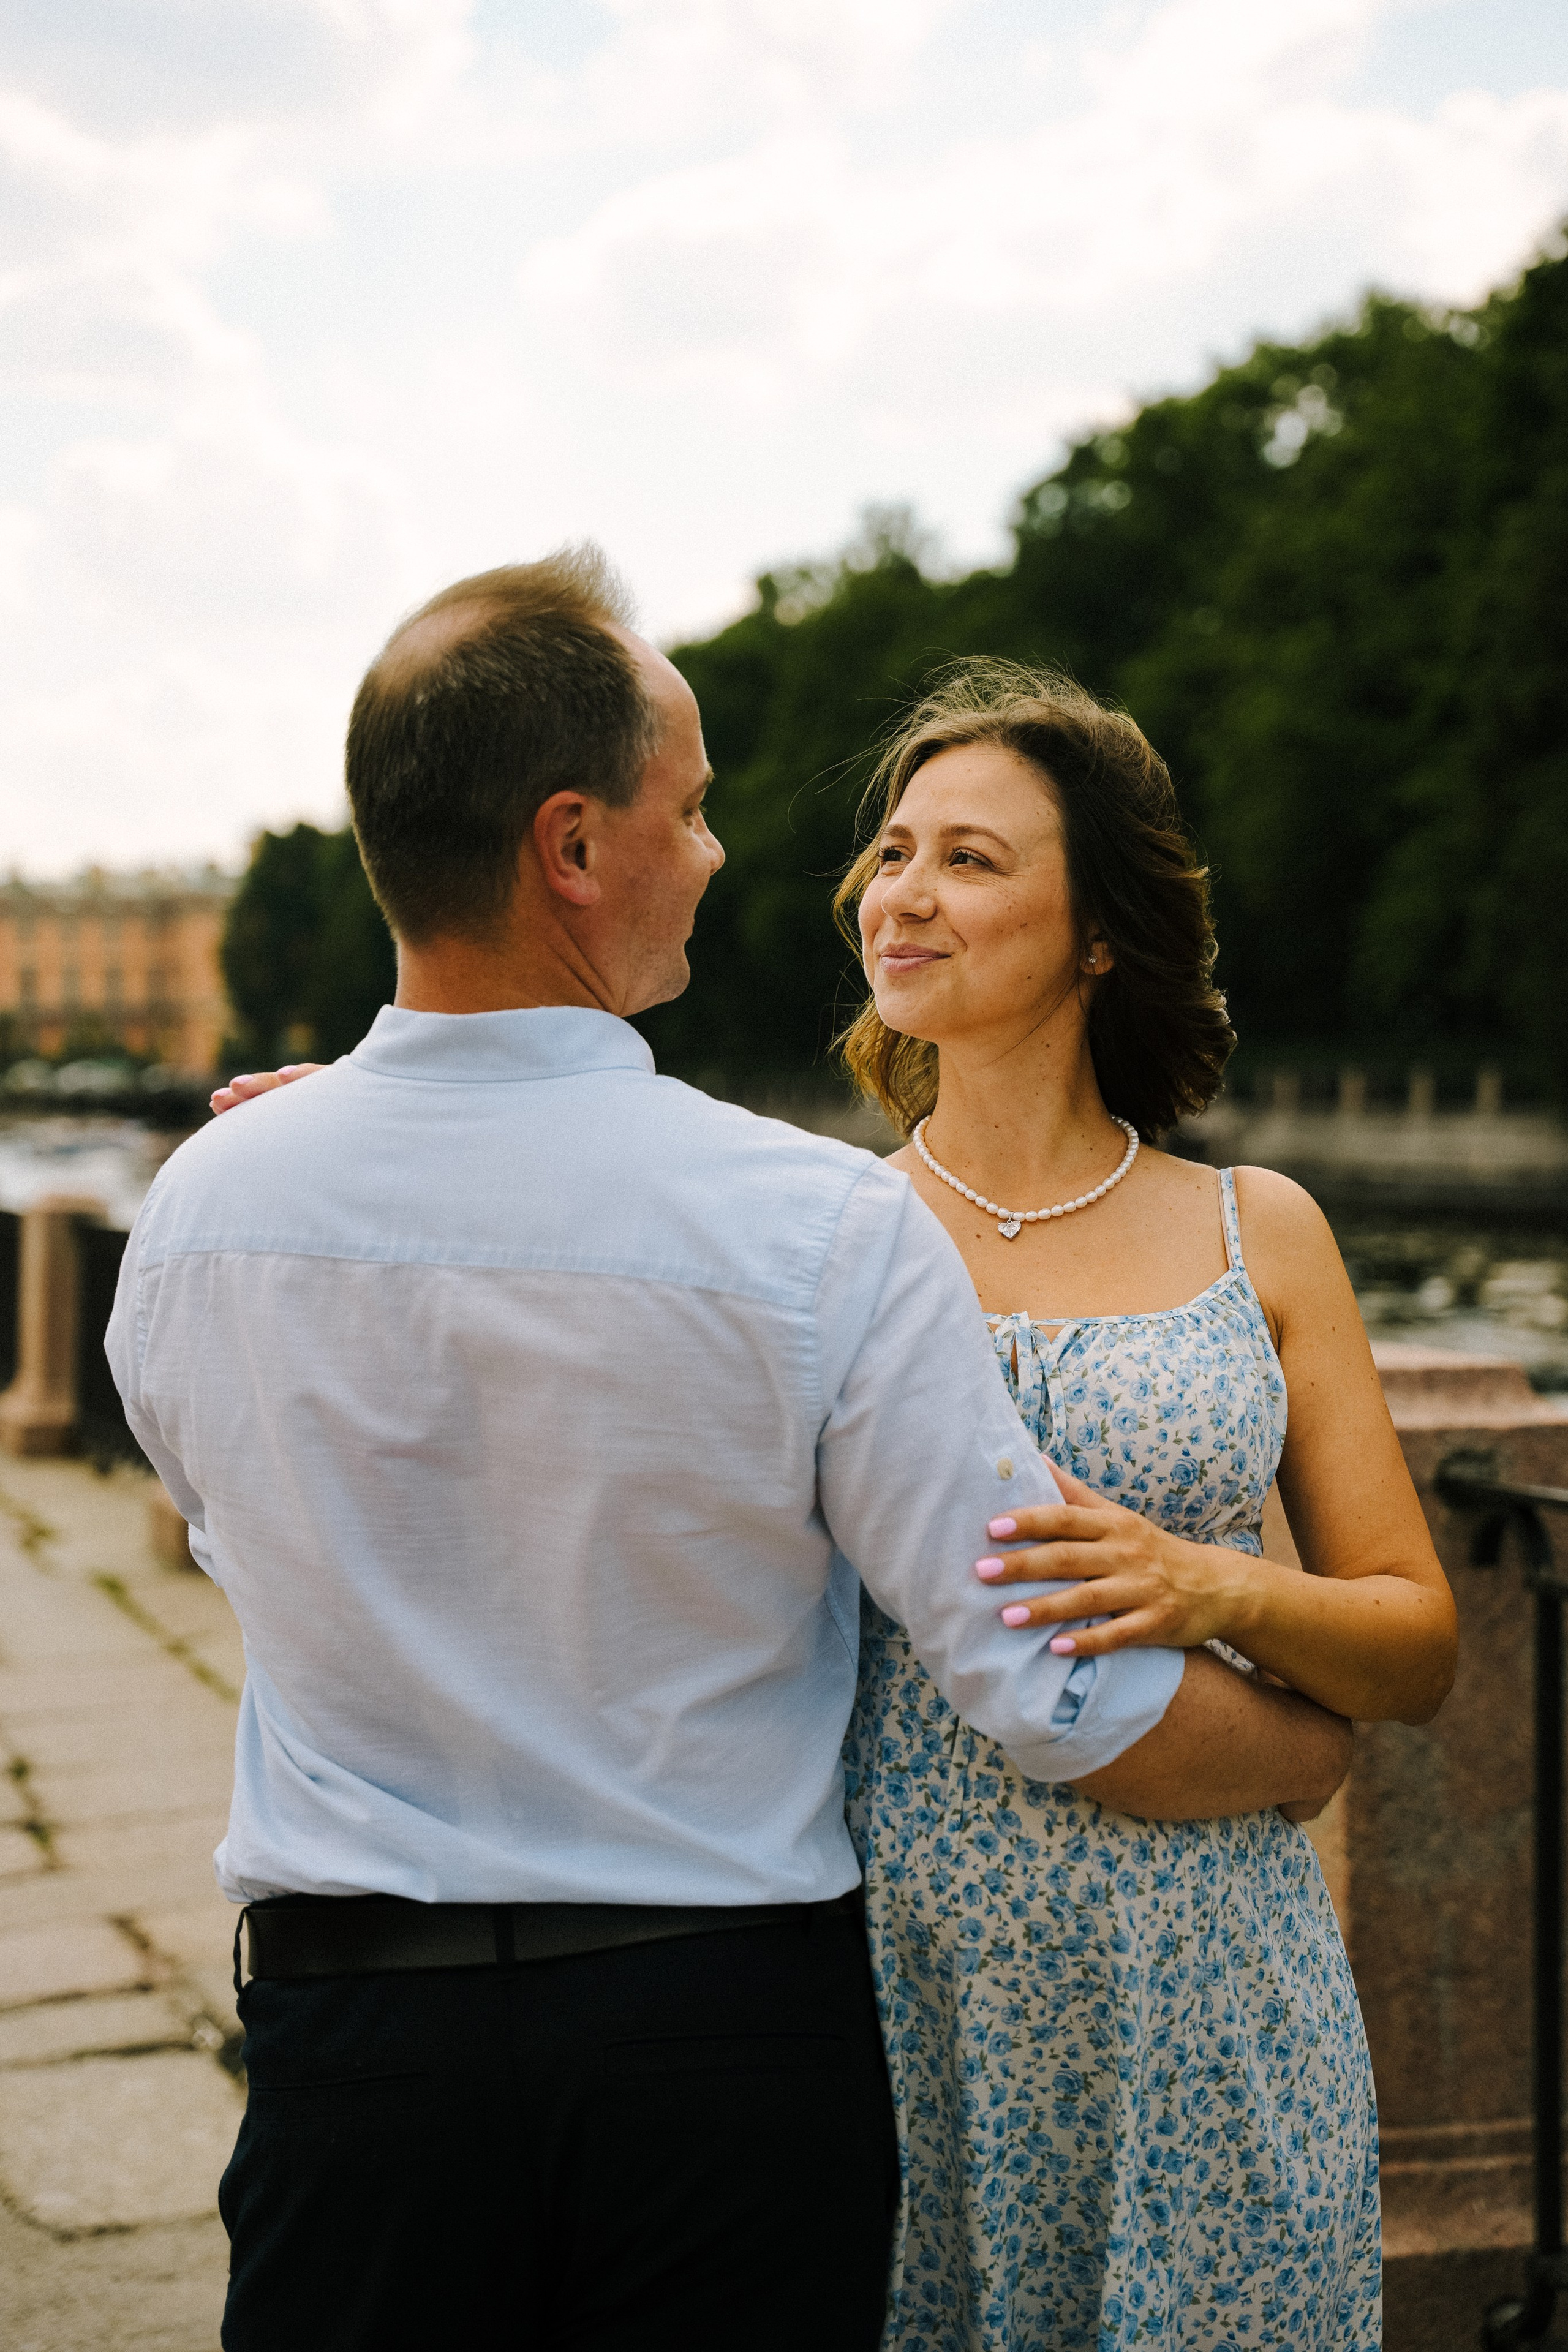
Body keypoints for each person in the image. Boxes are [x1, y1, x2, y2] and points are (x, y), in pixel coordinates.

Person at [167, 551, 1352, 2352]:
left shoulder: (200, 1214)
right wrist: (1307, 1737)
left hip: (355, 2056)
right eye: (696, 808)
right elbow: (1049, 1690)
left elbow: (238, 1544)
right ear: (575, 848)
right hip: (711, 2058)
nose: (726, 853)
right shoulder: (813, 1231)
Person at [834, 663, 1457, 2350]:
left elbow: (1413, 1648)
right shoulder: (813, 1231)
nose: (907, 892)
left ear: (1099, 931)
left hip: (1214, 1998)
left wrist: (1217, 1590)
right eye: (895, 852)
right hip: (898, 2014)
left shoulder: (1264, 1230)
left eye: (970, 859)